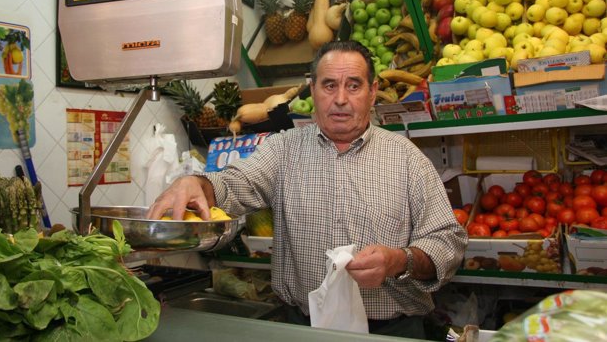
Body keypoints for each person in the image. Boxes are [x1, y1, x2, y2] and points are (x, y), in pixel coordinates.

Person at [148, 40, 467, 339]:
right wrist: (199, 183)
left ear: (372, 92)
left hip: (393, 331)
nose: (340, 99)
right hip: (304, 329)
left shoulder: (406, 157)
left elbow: (447, 242)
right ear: (313, 90)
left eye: (353, 85)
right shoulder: (283, 150)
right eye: (329, 85)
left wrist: (400, 260)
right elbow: (235, 183)